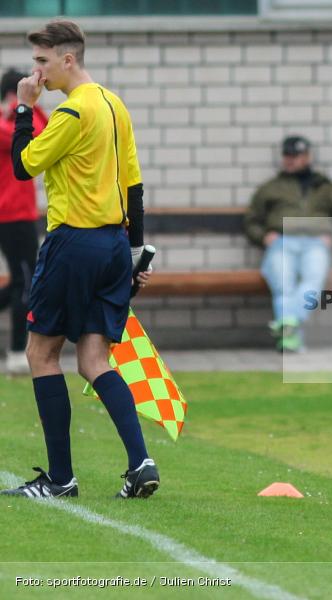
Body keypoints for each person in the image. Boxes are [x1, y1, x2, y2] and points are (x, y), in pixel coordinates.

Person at [0, 20, 159, 499]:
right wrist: (137, 252)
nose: (37, 71)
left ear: (68, 60)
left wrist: (25, 106)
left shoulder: (72, 112)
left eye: (43, 62)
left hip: (73, 244)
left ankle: (61, 478)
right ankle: (141, 464)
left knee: (41, 353)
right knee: (94, 358)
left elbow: (23, 164)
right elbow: (134, 184)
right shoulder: (114, 104)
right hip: (113, 245)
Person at [244, 135, 332, 353]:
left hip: (315, 242)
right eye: (287, 155)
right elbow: (251, 220)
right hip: (282, 241)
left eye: (296, 155)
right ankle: (291, 337)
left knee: (312, 282)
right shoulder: (271, 188)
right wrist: (263, 236)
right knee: (283, 286)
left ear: (307, 157)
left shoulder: (325, 187)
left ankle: (287, 326)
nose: (291, 160)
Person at [0, 68, 48, 375]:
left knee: (21, 281)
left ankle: (18, 349)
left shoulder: (13, 122)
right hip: (12, 216)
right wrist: (25, 106)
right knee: (26, 283)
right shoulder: (6, 127)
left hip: (19, 215)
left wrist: (26, 107)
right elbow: (39, 136)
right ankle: (18, 350)